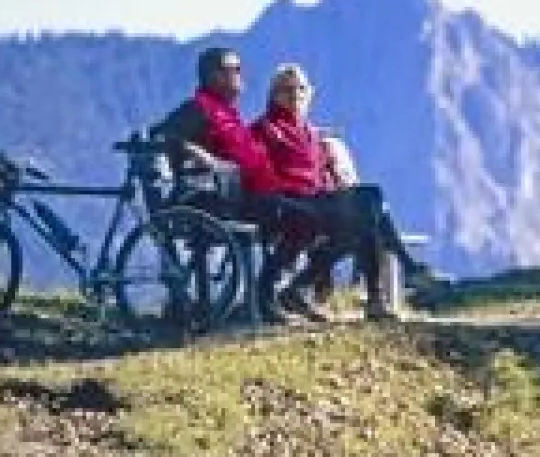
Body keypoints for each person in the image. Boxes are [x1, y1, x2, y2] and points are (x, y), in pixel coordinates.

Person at [155, 47, 403, 322]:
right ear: (213, 75)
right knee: (315, 218)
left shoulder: (228, 112)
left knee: (363, 205)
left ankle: (367, 296)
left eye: (239, 68)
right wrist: (201, 155)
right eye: (233, 69)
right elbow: (163, 135)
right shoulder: (200, 107)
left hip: (274, 193)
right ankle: (271, 295)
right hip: (240, 198)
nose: (240, 75)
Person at [251, 62, 437, 315]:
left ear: (310, 94)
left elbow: (322, 175)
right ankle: (399, 277)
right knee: (368, 205)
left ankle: (373, 297)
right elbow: (258, 173)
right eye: (287, 89)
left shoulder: (310, 133)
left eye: (301, 89)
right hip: (290, 203)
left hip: (319, 200)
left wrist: (333, 184)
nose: (295, 95)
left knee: (368, 207)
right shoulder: (263, 129)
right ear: (274, 95)